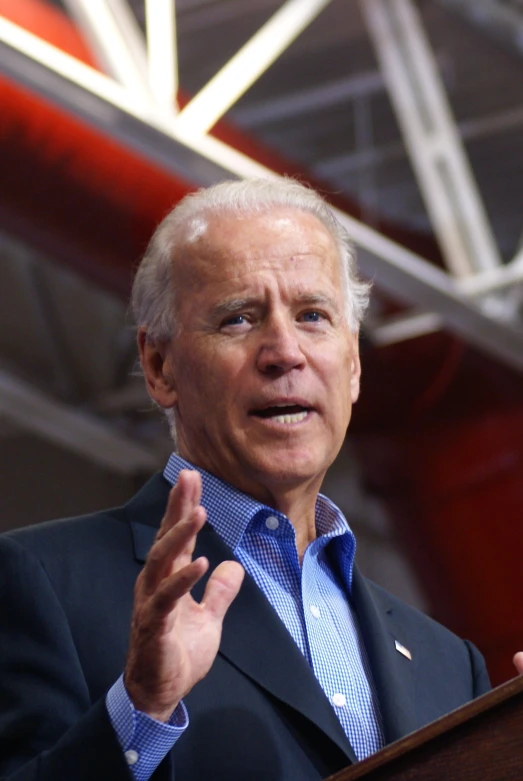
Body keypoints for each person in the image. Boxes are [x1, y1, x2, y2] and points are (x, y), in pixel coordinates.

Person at [0, 178, 521, 781]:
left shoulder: (448, 661)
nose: (284, 352)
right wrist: (137, 713)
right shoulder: (42, 582)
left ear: (351, 365)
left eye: (313, 316)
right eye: (238, 319)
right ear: (159, 366)